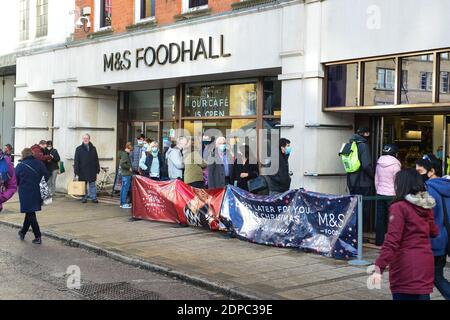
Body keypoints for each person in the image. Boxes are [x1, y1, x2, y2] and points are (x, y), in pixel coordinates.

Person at [372, 168, 439, 300]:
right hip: (425, 264)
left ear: (400, 185)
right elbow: (434, 231)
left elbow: (392, 240)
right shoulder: (426, 206)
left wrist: (379, 267)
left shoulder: (399, 207)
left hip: (406, 267)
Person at [418, 154, 450, 300]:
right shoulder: (446, 186)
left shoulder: (428, 191)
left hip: (431, 242)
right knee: (436, 276)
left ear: (431, 171)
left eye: (420, 172)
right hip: (444, 241)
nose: (418, 175)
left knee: (422, 281)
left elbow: (423, 219)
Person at [15, 148, 50, 245]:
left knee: (30, 214)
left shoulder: (20, 166)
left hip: (25, 193)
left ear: (23, 155)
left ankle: (38, 236)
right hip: (37, 192)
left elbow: (15, 180)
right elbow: (46, 175)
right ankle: (22, 232)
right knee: (30, 212)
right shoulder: (39, 163)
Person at [374, 144, 401, 246]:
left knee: (380, 218)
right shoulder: (396, 165)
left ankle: (379, 241)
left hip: (380, 193)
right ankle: (391, 241)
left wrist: (378, 190)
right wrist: (397, 193)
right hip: (392, 195)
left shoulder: (379, 163)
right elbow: (396, 182)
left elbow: (376, 179)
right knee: (392, 218)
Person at [346, 127, 374, 196]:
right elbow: (366, 165)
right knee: (364, 205)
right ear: (366, 134)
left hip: (351, 181)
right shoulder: (363, 146)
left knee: (355, 204)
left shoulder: (350, 144)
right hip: (363, 183)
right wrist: (374, 176)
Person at [74, 134, 100, 204]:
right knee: (83, 185)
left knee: (92, 184)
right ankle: (84, 198)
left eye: (87, 138)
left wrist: (97, 168)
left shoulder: (93, 148)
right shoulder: (78, 148)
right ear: (82, 139)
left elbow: (96, 159)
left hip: (92, 170)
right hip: (82, 170)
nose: (85, 139)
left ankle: (94, 198)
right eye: (84, 138)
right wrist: (76, 171)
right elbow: (76, 160)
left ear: (89, 139)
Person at [118, 142, 133, 209]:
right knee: (125, 189)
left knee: (123, 189)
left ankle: (122, 203)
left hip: (125, 174)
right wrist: (129, 167)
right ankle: (123, 203)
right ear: (128, 148)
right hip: (126, 174)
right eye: (130, 149)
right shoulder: (125, 155)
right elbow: (122, 164)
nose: (131, 151)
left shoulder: (124, 154)